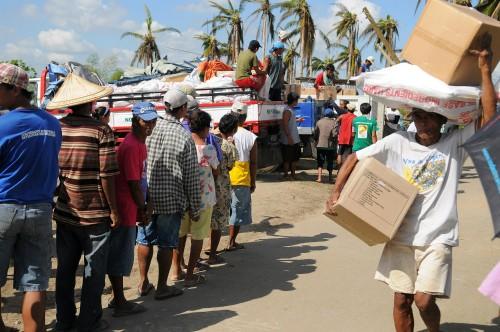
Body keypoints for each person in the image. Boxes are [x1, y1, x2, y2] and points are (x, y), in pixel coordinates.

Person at [326, 46, 496, 332]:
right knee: (401, 301)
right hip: (400, 234)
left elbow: (489, 119)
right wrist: (335, 192)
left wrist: (484, 70)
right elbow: (355, 157)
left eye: (428, 117)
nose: (421, 122)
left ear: (442, 120)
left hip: (437, 238)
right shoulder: (398, 142)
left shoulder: (453, 144)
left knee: (423, 300)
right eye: (417, 116)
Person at [48, 73, 119, 332]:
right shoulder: (101, 130)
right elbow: (108, 175)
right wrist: (114, 210)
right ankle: (89, 322)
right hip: (95, 213)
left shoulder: (57, 128)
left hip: (65, 211)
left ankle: (64, 321)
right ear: (91, 103)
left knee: (65, 271)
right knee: (94, 271)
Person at [0, 63, 62, 332]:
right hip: (39, 210)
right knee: (35, 283)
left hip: (4, 208)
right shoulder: (51, 123)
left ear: (15, 90)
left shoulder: (3, 125)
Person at [137, 89, 199, 300]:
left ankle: (143, 282)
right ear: (182, 109)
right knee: (166, 244)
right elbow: (191, 176)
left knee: (144, 239)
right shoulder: (184, 136)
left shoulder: (150, 128)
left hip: (146, 197)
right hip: (171, 200)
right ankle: (162, 287)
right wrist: (195, 206)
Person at [107, 102, 158, 317]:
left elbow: (140, 179)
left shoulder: (139, 143)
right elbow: (133, 183)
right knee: (119, 255)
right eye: (145, 120)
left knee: (120, 254)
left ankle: (117, 298)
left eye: (153, 119)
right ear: (136, 120)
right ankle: (119, 301)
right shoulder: (131, 146)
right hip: (126, 207)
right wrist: (143, 208)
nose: (150, 124)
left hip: (131, 206)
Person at [174, 111, 219, 287]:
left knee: (180, 235)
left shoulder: (183, 145)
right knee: (198, 235)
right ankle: (190, 275)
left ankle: (176, 270)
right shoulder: (207, 149)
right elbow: (216, 170)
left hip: (183, 196)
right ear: (205, 128)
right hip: (203, 198)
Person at [208, 114, 239, 265]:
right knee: (218, 221)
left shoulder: (207, 139)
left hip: (204, 186)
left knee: (204, 220)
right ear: (233, 129)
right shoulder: (228, 146)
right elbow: (231, 166)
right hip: (221, 188)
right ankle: (212, 255)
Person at [228, 101, 258, 251]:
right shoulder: (251, 137)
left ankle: (211, 243)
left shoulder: (221, 132)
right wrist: (253, 181)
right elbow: (253, 162)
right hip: (242, 178)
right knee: (237, 211)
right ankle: (231, 242)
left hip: (224, 176)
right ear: (245, 117)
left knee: (221, 210)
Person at [280, 92, 301, 180]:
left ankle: (292, 174)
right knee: (288, 159)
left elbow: (289, 122)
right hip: (289, 139)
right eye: (297, 100)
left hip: (293, 138)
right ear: (294, 101)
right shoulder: (287, 110)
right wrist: (289, 137)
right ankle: (287, 175)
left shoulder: (290, 110)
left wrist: (297, 119)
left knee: (293, 158)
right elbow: (285, 124)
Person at [314, 108, 338, 183]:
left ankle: (319, 178)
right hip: (330, 146)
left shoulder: (319, 122)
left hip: (320, 145)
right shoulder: (334, 122)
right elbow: (335, 134)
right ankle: (330, 177)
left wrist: (316, 140)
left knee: (320, 162)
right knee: (330, 161)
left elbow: (315, 133)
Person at [336, 103, 356, 167]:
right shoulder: (355, 117)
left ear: (347, 109)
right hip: (350, 138)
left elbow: (336, 122)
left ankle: (339, 167)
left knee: (340, 153)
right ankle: (344, 166)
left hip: (342, 137)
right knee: (348, 154)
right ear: (354, 110)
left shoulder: (342, 116)